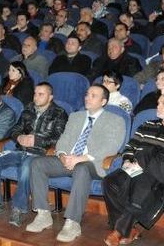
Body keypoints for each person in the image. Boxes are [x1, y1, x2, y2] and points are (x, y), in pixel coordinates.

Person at [25, 85, 126, 242]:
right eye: (87, 94)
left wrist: (80, 159)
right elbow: (63, 140)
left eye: (93, 95)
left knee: (81, 169)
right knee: (37, 163)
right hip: (69, 160)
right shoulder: (76, 116)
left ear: (103, 101)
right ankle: (43, 214)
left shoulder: (116, 120)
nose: (87, 97)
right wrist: (64, 155)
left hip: (92, 163)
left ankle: (72, 223)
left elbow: (111, 147)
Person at [102, 93, 164, 246]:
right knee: (109, 181)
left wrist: (148, 162)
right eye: (158, 102)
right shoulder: (147, 125)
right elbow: (130, 147)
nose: (158, 105)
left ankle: (118, 231)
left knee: (146, 155)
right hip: (134, 169)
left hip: (160, 173)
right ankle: (129, 230)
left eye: (163, 103)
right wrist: (127, 161)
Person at [0, 82, 68, 226]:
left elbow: (60, 137)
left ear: (50, 97)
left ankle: (18, 209)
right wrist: (19, 137)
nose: (36, 97)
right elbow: (15, 129)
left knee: (27, 167)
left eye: (41, 94)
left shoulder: (59, 113)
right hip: (20, 151)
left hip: (41, 154)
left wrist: (37, 140)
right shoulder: (29, 109)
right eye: (35, 93)